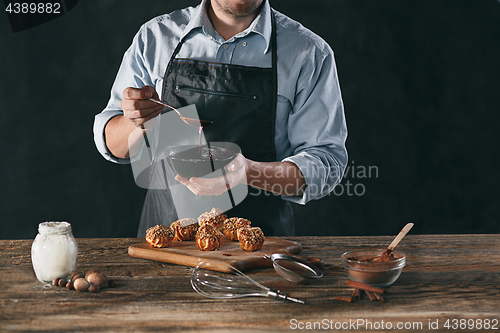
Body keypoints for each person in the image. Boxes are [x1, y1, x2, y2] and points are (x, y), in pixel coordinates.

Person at [93, 0, 348, 237]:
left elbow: (326, 162)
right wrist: (135, 121)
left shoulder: (309, 53)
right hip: (167, 242)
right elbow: (114, 145)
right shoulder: (156, 38)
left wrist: (251, 172)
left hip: (259, 248)